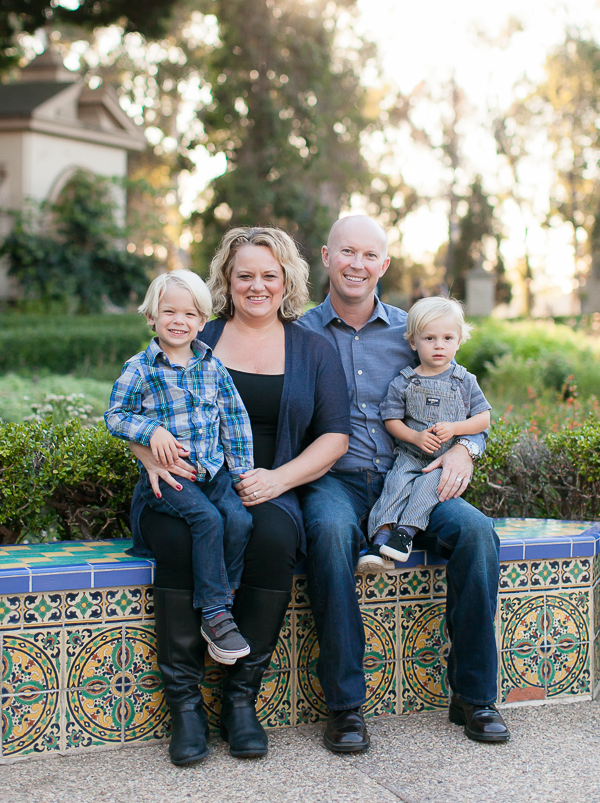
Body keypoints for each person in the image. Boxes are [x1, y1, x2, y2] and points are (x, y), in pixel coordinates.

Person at [128, 228, 350, 766]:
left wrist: (279, 480)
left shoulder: (312, 349)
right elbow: (138, 405)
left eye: (269, 275)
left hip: (268, 484)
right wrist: (149, 456)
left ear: (286, 281)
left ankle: (239, 699)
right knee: (182, 536)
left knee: (274, 536)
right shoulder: (196, 333)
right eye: (245, 274)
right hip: (179, 482)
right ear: (227, 280)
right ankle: (184, 707)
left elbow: (335, 436)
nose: (257, 286)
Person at [298, 214, 509, 752]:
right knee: (326, 536)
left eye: (370, 256)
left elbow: (467, 404)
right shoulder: (296, 333)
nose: (357, 265)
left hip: (412, 476)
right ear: (326, 256)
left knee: (477, 534)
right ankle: (345, 708)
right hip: (334, 481)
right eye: (348, 252)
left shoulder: (413, 329)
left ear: (384, 265)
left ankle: (476, 696)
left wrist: (466, 447)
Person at [105, 270, 253, 665]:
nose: (178, 321)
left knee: (239, 522)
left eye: (189, 314)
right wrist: (150, 430)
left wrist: (241, 472)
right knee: (207, 520)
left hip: (212, 473)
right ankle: (216, 614)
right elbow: (115, 416)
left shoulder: (212, 367)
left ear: (202, 322)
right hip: (170, 476)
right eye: (168, 311)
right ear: (151, 316)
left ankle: (225, 599)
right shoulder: (140, 368)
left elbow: (234, 421)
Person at [362, 296, 491, 567]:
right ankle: (379, 541)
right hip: (410, 454)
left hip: (440, 462)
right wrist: (414, 437)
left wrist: (456, 428)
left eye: (447, 338)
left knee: (426, 491)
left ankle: (404, 535)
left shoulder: (465, 381)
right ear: (413, 342)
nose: (439, 346)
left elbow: (483, 419)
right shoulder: (404, 381)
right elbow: (391, 420)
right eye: (429, 338)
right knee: (394, 487)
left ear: (459, 341)